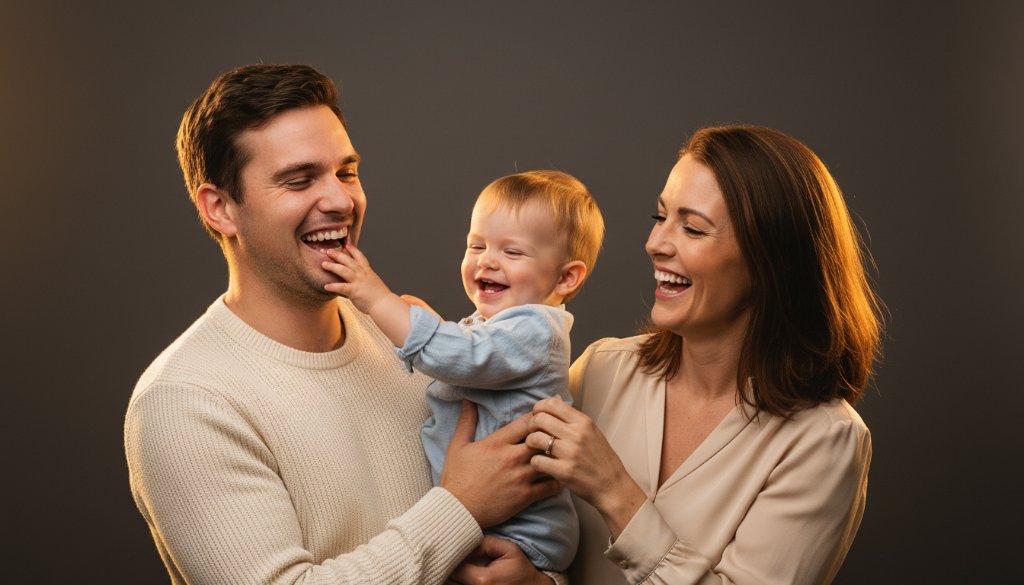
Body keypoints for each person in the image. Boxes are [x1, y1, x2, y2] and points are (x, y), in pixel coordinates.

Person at [123, 64, 562, 585]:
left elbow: (520, 531)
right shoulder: (184, 401)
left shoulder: (403, 337)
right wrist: (460, 507)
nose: (340, 201)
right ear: (220, 208)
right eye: (299, 180)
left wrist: (539, 581)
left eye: (346, 172)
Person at [470, 124, 880, 584]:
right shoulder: (603, 369)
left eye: (692, 228)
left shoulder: (824, 441)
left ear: (770, 262)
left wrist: (614, 491)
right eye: (659, 217)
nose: (656, 244)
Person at [319, 170, 605, 572]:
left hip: (524, 532)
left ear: (566, 277)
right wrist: (436, 328)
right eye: (477, 245)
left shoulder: (539, 330)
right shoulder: (494, 326)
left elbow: (465, 358)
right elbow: (471, 358)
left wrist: (378, 299)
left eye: (513, 252)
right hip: (479, 517)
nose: (487, 260)